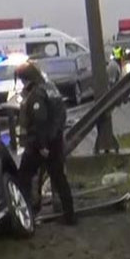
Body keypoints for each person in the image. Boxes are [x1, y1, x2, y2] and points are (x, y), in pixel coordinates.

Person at [15, 62, 76, 224]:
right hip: (55, 139)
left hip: (40, 144)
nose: (22, 83)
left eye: (22, 79)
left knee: (23, 178)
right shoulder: (51, 88)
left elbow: (39, 121)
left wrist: (42, 145)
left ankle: (25, 214)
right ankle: (70, 215)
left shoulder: (37, 94)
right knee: (59, 177)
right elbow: (61, 113)